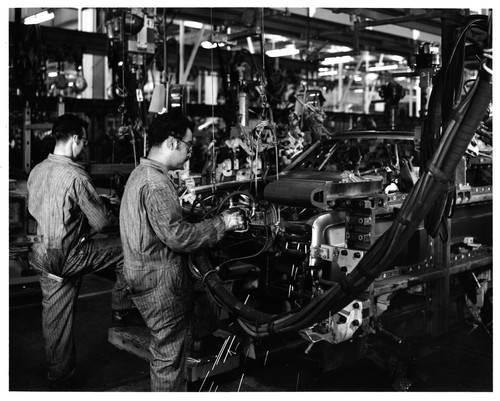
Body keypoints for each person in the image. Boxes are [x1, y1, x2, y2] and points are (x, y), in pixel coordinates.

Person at [119, 110, 243, 391]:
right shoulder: (156, 183)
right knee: (170, 357)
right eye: (189, 145)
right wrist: (223, 222)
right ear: (172, 142)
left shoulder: (141, 174)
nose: (190, 152)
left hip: (143, 276)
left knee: (166, 353)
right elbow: (178, 237)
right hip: (160, 285)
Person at [27, 114, 136, 390]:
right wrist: (115, 209)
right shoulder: (76, 174)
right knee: (126, 249)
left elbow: (51, 208)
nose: (84, 146)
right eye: (83, 141)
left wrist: (89, 204)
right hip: (68, 255)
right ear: (75, 138)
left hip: (41, 254)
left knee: (56, 317)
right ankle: (122, 309)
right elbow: (102, 223)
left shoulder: (37, 170)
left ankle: (60, 376)